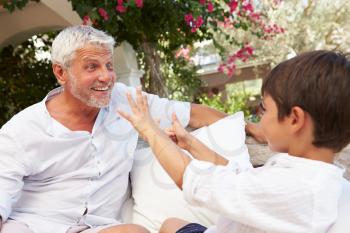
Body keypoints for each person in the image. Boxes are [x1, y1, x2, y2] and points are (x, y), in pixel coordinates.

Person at [0, 25, 266, 233]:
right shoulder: (22, 131)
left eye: (109, 65)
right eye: (92, 67)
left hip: (97, 228)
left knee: (136, 232)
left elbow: (192, 113)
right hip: (33, 225)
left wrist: (248, 126)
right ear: (61, 72)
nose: (106, 76)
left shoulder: (125, 100)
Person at [119, 50, 350, 233]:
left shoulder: (293, 190)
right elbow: (237, 175)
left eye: (265, 109)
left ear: (295, 119)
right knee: (170, 224)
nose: (260, 117)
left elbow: (191, 179)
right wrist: (190, 143)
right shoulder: (315, 175)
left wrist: (149, 129)